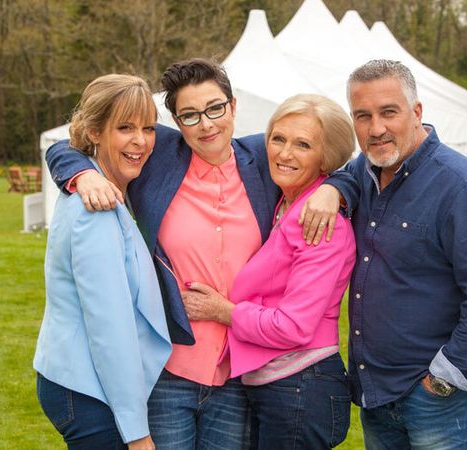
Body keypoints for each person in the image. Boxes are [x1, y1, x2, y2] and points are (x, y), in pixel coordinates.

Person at [44, 59, 358, 449]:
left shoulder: (265, 156)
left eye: (215, 109)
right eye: (190, 116)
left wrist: (336, 189)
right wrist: (83, 174)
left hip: (235, 376)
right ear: (175, 122)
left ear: (233, 106)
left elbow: (338, 156)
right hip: (168, 371)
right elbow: (72, 144)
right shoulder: (157, 155)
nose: (206, 124)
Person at [316, 59, 467, 449]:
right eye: (363, 116)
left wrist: (440, 380)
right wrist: (332, 188)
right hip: (376, 394)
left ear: (417, 112)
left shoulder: (464, 187)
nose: (376, 129)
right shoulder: (366, 172)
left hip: (440, 399)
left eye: (389, 112)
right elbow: (348, 170)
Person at [181, 94, 356, 449]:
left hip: (301, 386)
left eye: (303, 144)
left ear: (326, 157)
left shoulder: (322, 224)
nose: (284, 153)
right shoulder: (285, 204)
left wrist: (222, 311)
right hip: (277, 386)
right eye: (278, 139)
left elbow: (293, 325)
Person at [33, 74, 172, 449]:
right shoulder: (95, 207)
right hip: (87, 389)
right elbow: (110, 328)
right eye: (124, 127)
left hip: (82, 381)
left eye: (148, 128)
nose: (140, 141)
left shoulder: (105, 186)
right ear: (94, 132)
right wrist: (137, 433)